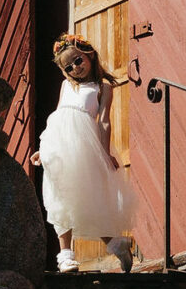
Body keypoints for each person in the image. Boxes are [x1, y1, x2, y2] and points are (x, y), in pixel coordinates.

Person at [32, 34, 136, 272]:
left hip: (83, 144)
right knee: (60, 196)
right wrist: (43, 148)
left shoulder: (102, 87)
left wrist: (105, 152)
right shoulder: (66, 85)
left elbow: (104, 122)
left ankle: (117, 244)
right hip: (58, 144)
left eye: (77, 61)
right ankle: (66, 256)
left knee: (86, 198)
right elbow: (57, 116)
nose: (75, 68)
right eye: (68, 67)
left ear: (89, 55)